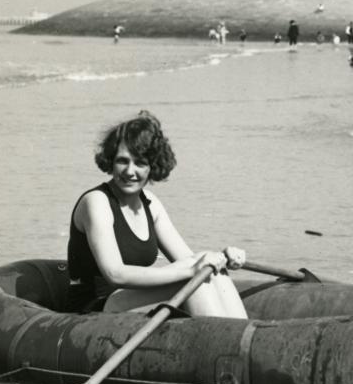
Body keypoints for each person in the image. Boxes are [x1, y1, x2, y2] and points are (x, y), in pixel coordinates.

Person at [65, 111, 248, 316]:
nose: (130, 171)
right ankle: (221, 342)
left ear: (153, 166)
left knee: (207, 263)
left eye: (140, 163)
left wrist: (223, 257)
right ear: (111, 160)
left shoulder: (151, 204)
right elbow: (115, 274)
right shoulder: (97, 202)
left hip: (129, 298)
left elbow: (190, 259)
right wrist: (191, 270)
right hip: (95, 309)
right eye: (123, 161)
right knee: (192, 275)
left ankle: (238, 335)